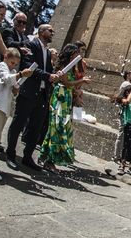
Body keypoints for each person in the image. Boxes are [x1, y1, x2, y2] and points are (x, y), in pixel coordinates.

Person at [6, 23, 59, 171]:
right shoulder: (31, 45)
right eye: (50, 30)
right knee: (18, 123)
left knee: (35, 128)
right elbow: (29, 67)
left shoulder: (48, 52)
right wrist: (49, 75)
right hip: (28, 92)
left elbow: (47, 70)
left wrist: (54, 75)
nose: (52, 32)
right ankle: (10, 154)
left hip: (42, 95)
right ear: (41, 32)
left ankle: (27, 157)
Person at [38, 43, 91, 171]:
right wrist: (82, 81)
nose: (78, 56)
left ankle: (45, 156)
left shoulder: (72, 67)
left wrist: (76, 93)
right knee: (57, 127)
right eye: (75, 54)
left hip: (66, 98)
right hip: (60, 97)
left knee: (57, 127)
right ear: (70, 54)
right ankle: (49, 161)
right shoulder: (64, 66)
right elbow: (66, 83)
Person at [0, 48, 33, 181]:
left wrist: (16, 89)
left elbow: (13, 89)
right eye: (12, 62)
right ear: (5, 57)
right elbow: (6, 79)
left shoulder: (12, 71)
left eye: (15, 64)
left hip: (4, 107)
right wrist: (20, 74)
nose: (13, 65)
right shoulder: (2, 66)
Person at [72, 40, 88, 109]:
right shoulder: (71, 61)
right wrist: (76, 94)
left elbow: (81, 80)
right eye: (82, 49)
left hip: (77, 92)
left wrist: (79, 94)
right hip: (69, 90)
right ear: (76, 49)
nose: (84, 52)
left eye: (85, 50)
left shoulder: (83, 63)